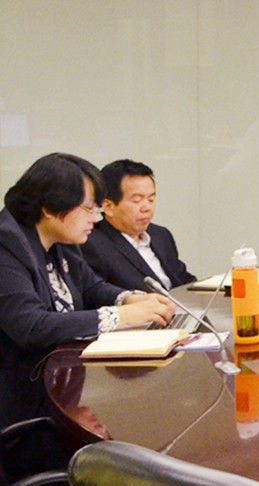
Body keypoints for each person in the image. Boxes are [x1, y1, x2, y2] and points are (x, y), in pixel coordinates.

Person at [0, 153, 174, 428]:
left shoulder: (61, 239)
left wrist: (129, 298)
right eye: (89, 208)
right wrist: (122, 316)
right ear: (50, 208)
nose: (96, 218)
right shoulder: (7, 246)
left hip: (64, 385)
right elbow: (31, 325)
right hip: (22, 406)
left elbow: (90, 286)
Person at [81, 159, 197, 292]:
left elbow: (182, 278)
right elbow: (97, 293)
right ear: (108, 207)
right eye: (137, 200)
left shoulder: (160, 234)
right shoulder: (92, 244)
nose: (147, 208)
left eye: (151, 199)